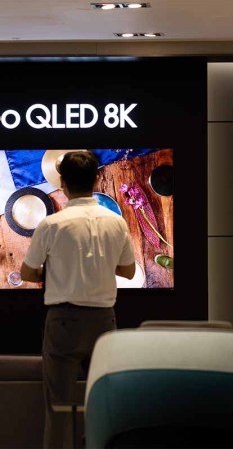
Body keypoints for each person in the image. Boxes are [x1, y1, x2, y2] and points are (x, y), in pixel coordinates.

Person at [20, 151, 136, 449]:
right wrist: (97, 265)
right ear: (97, 179)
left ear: (62, 184)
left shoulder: (51, 224)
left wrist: (58, 269)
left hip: (63, 323)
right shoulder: (116, 222)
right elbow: (128, 270)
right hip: (103, 323)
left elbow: (28, 273)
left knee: (57, 410)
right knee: (102, 408)